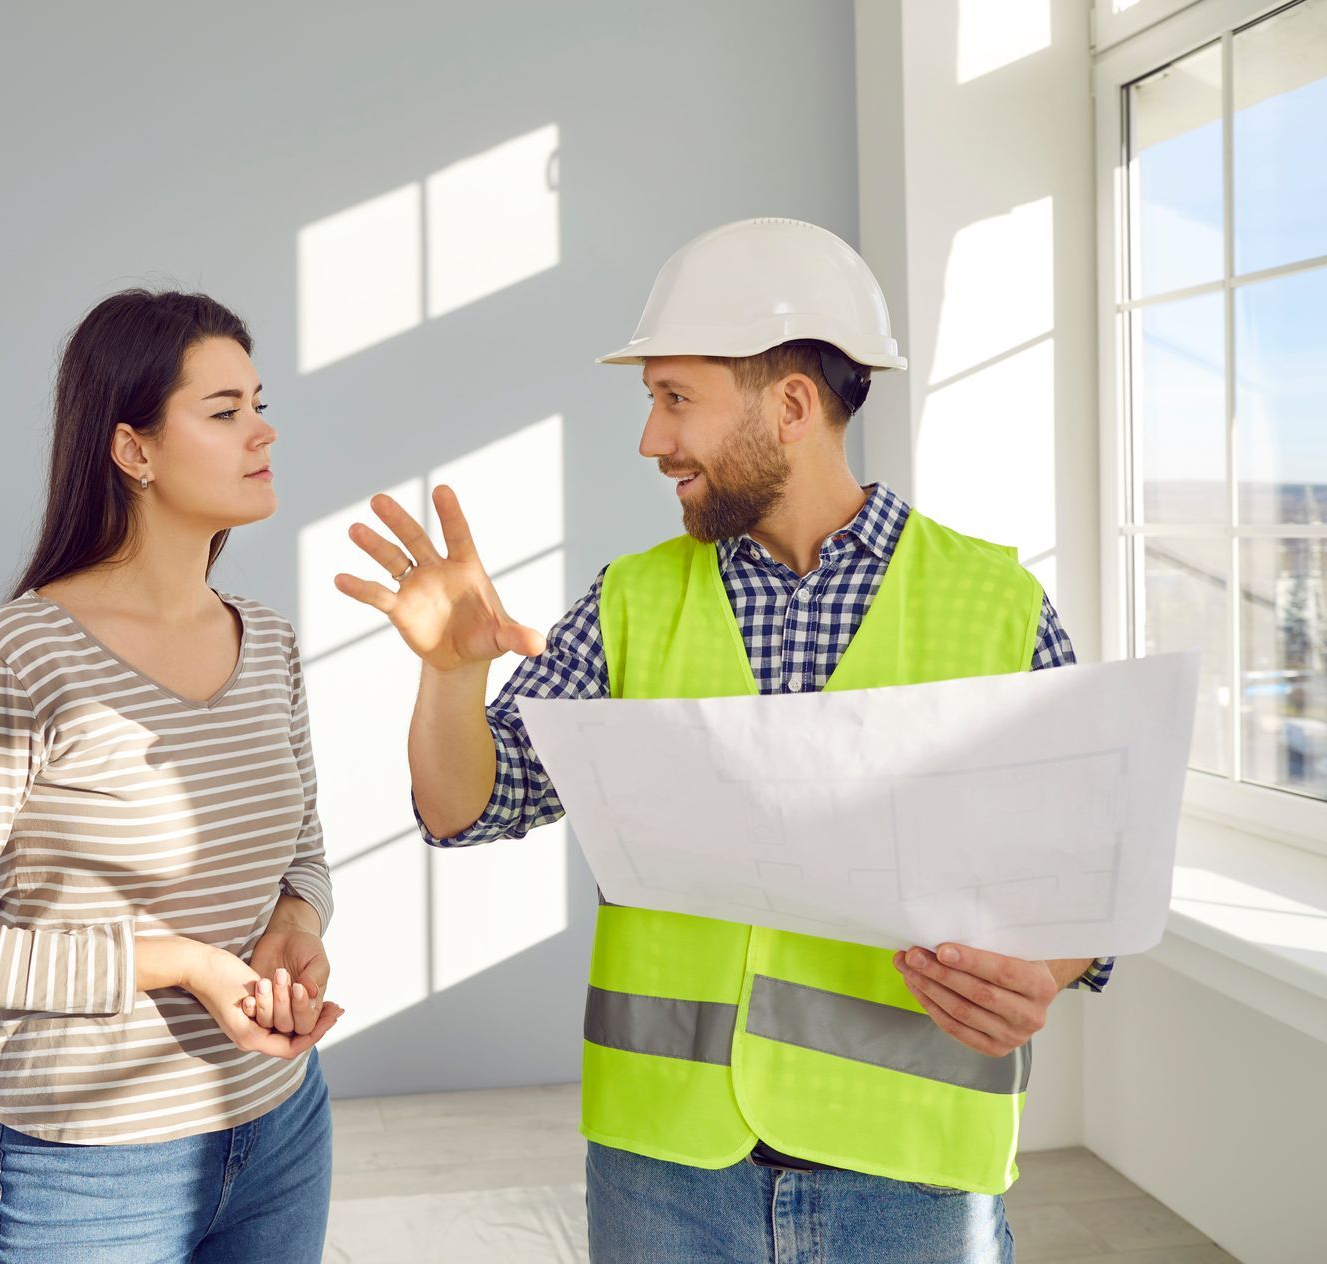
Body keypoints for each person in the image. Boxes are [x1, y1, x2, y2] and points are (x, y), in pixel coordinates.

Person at [335, 219, 1115, 1263]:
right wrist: (451, 674)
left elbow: (1091, 863)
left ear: (790, 406)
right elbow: (467, 804)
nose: (652, 439)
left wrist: (1049, 969)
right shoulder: (630, 600)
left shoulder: (995, 603)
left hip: (912, 1171)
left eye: (675, 399)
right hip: (666, 1169)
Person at [0, 289, 342, 1264]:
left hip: (281, 1129)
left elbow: (301, 858)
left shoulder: (271, 643)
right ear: (133, 449)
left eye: (259, 402)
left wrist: (295, 932)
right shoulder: (13, 659)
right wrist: (178, 962)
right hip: (94, 1168)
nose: (264, 430)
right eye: (225, 412)